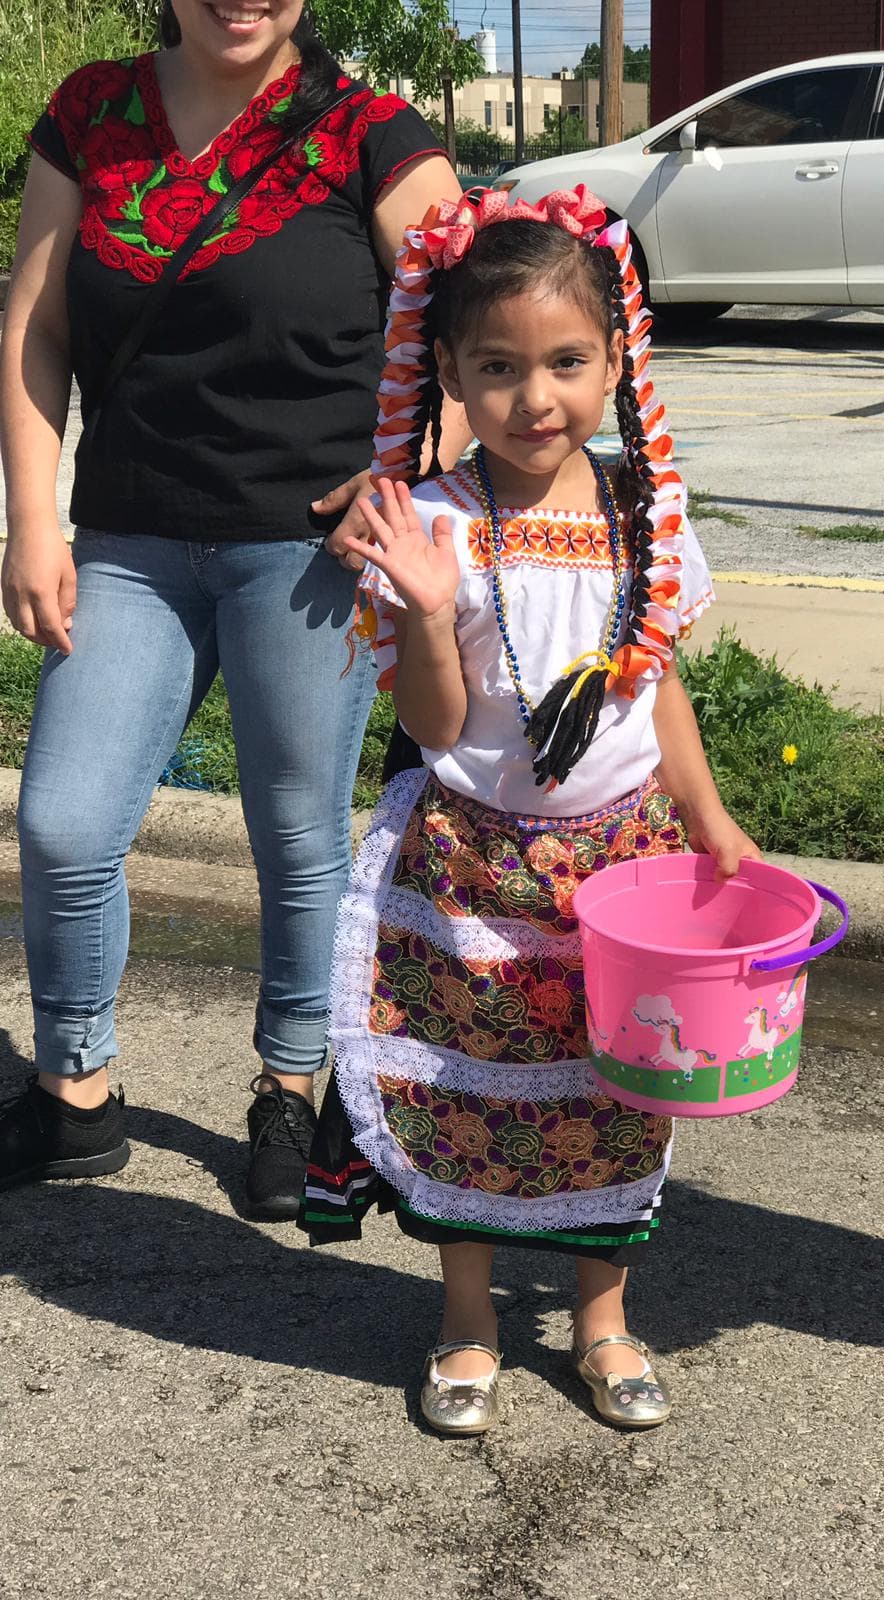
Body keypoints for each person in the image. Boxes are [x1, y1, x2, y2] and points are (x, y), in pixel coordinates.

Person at [299, 186, 760, 1433]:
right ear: (446, 369)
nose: (535, 396)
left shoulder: (642, 513)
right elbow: (442, 728)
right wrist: (433, 608)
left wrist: (710, 821)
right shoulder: (431, 518)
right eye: (496, 367)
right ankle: (468, 1320)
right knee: (473, 1088)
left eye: (565, 361)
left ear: (618, 358)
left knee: (618, 1090)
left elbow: (651, 689)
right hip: (472, 867)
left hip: (625, 869)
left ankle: (604, 1321)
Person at [0, 1, 466, 1216]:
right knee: (61, 822)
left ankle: (290, 1086)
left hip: (308, 547)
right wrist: (35, 521)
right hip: (130, 537)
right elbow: (34, 328)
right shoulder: (91, 116)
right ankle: (75, 1089)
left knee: (298, 835)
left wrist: (410, 477)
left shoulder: (374, 135)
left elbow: (475, 330)